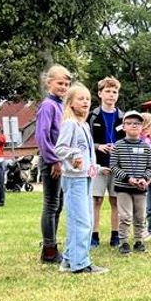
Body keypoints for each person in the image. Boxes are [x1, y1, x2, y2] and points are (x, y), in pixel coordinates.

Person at [54, 84, 107, 274]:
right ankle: (80, 263)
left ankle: (69, 260)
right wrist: (74, 155)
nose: (85, 102)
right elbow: (60, 148)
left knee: (84, 219)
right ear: (71, 103)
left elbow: (87, 153)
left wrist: (97, 167)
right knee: (81, 221)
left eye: (87, 99)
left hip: (85, 177)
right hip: (74, 179)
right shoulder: (69, 124)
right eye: (80, 99)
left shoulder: (83, 125)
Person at [37, 65, 72, 264]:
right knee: (51, 204)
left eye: (67, 84)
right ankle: (49, 248)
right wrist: (54, 160)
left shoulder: (61, 105)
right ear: (49, 82)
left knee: (58, 205)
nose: (64, 87)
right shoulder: (48, 106)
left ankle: (51, 244)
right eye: (60, 83)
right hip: (52, 161)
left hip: (61, 161)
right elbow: (43, 136)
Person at [111, 110, 151, 254]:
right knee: (125, 216)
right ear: (123, 127)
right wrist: (127, 178)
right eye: (129, 123)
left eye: (137, 123)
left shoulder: (146, 147)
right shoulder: (118, 145)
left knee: (140, 216)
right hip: (123, 187)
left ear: (142, 127)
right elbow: (114, 166)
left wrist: (144, 178)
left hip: (140, 189)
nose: (133, 126)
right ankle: (123, 242)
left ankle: (139, 241)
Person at [88, 77, 123, 248]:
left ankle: (115, 235)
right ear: (100, 93)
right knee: (96, 200)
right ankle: (94, 235)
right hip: (98, 166)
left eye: (114, 92)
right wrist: (98, 146)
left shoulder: (123, 117)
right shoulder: (92, 116)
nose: (111, 95)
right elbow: (85, 142)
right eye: (107, 91)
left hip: (117, 167)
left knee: (116, 201)